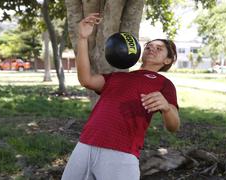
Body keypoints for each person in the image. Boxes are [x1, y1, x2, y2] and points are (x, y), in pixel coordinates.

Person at [62, 13, 180, 180]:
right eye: (148, 46)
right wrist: (82, 38)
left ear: (167, 60)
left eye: (159, 48)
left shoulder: (163, 83)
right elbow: (86, 80)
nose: (151, 48)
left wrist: (167, 108)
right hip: (85, 144)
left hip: (121, 152)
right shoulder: (118, 76)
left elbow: (173, 126)